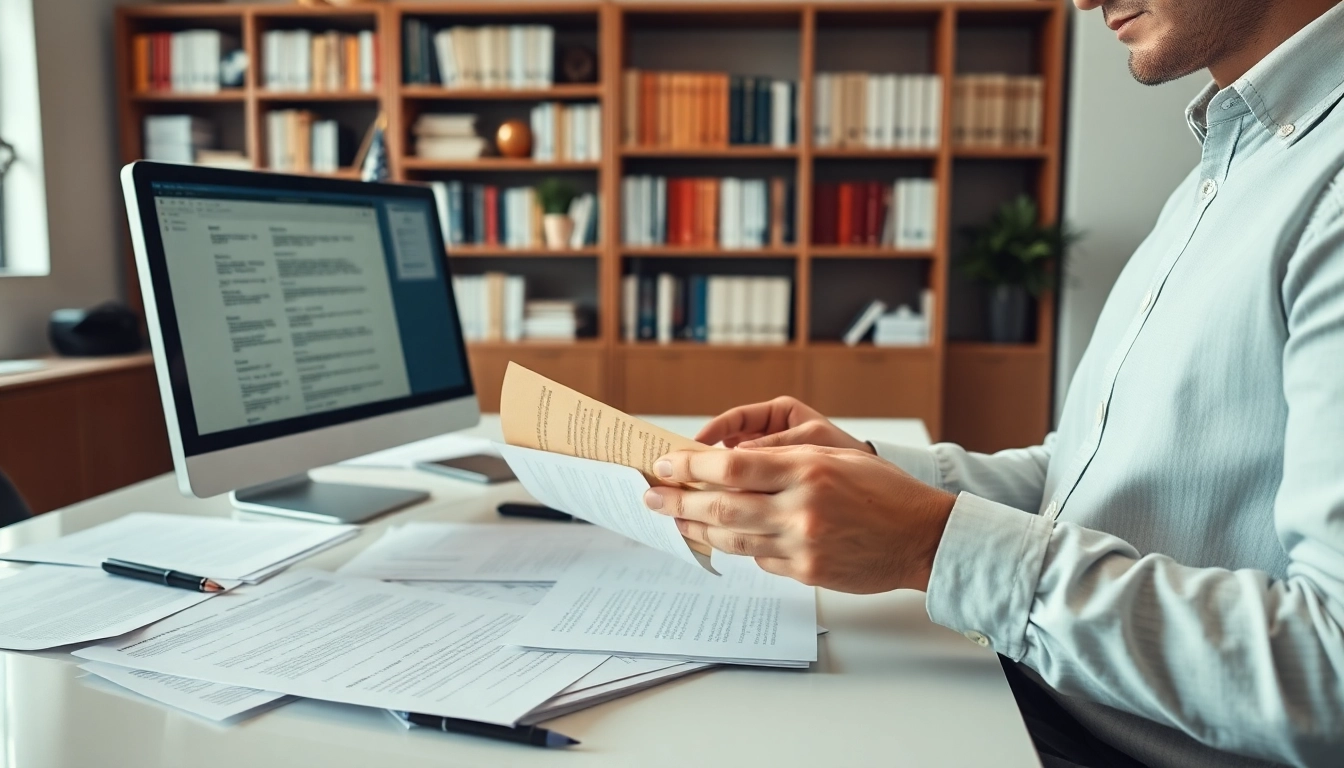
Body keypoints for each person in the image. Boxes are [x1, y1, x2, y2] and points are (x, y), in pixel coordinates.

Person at [640, 1, 1344, 766]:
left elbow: (1328, 678)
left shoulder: (1328, 197)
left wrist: (931, 543)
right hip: (1041, 689)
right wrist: (868, 473)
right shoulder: (1230, 166)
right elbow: (1086, 476)